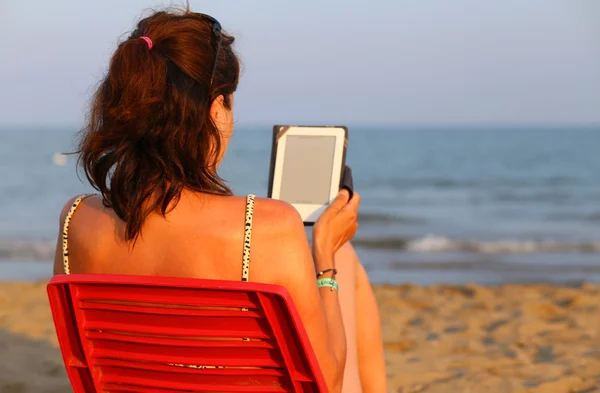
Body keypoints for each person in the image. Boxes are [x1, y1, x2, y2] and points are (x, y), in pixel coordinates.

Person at [52, 7, 386, 393]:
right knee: (343, 260)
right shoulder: (264, 226)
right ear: (215, 111)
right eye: (230, 104)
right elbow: (325, 381)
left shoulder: (75, 218)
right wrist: (324, 257)